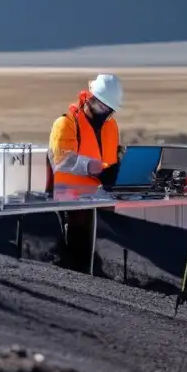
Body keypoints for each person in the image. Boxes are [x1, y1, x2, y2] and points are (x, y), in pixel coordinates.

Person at [47, 73, 124, 273]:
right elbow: (62, 160)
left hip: (102, 201)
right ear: (89, 98)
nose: (104, 113)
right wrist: (95, 169)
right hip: (71, 203)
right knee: (77, 259)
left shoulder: (111, 127)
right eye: (101, 107)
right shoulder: (66, 123)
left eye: (109, 110)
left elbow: (111, 158)